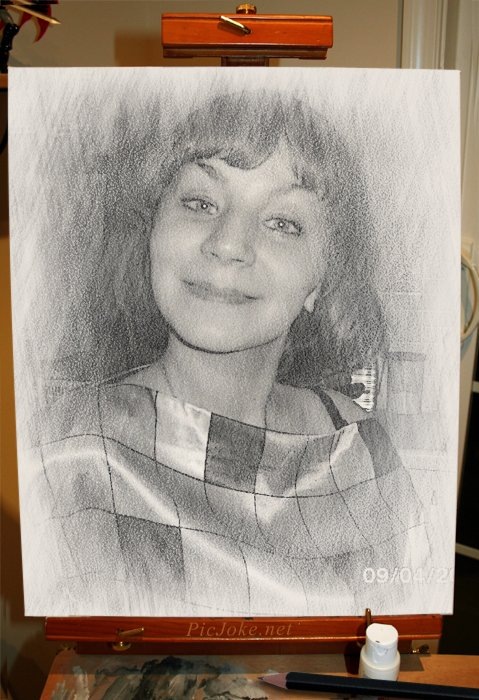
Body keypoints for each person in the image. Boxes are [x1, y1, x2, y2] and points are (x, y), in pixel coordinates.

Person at [22, 87, 429, 617]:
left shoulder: (365, 452)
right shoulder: (65, 454)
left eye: (283, 222)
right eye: (200, 203)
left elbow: (402, 637)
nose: (229, 243)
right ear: (152, 231)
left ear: (321, 279)